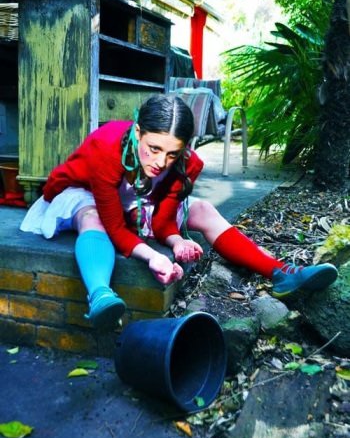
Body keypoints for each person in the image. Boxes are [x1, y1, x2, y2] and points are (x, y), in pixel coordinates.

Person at [20, 94, 338, 330]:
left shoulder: (187, 163)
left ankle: (281, 274)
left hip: (137, 200)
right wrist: (152, 256)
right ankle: (100, 294)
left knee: (203, 208)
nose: (160, 162)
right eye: (153, 149)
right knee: (92, 217)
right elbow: (115, 227)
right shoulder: (106, 147)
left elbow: (161, 220)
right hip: (83, 192)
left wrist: (174, 241)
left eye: (172, 154)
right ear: (138, 132)